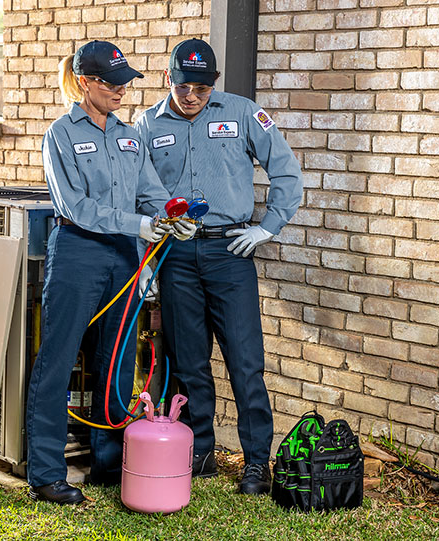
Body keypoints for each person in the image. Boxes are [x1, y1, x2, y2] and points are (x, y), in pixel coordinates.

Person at [25, 40, 194, 505]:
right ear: (85, 82)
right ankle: (45, 473)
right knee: (57, 362)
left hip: (125, 255)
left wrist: (174, 215)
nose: (122, 89)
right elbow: (75, 206)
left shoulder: (128, 135)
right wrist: (140, 224)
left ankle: (106, 464)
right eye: (111, 82)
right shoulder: (60, 134)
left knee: (116, 361)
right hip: (79, 250)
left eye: (126, 81)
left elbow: (150, 192)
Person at [134, 39, 303, 495]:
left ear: (214, 85)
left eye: (202, 89)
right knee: (188, 362)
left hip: (231, 253)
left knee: (246, 364)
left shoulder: (244, 113)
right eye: (184, 85)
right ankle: (199, 452)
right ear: (168, 78)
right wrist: (146, 259)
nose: (192, 96)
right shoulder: (147, 124)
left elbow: (286, 172)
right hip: (175, 257)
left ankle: (255, 465)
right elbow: (135, 193)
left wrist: (267, 228)